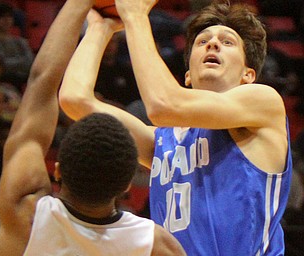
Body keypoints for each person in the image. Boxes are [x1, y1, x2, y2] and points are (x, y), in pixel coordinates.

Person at [59, 0, 293, 255]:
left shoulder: (264, 103)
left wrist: (136, 17)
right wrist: (99, 26)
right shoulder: (161, 142)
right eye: (202, 42)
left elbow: (163, 105)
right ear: (188, 76)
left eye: (227, 42)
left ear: (248, 76)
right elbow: (75, 99)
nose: (213, 43)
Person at [0, 1, 186, 256]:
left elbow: (41, 80)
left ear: (58, 171)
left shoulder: (25, 214)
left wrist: (80, 4)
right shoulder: (156, 245)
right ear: (127, 186)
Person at [0, 2, 34, 88]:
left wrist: (7, 63)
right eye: (2, 17)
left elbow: (30, 63)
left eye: (9, 16)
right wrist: (20, 62)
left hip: (23, 80)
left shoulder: (21, 42)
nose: (6, 20)